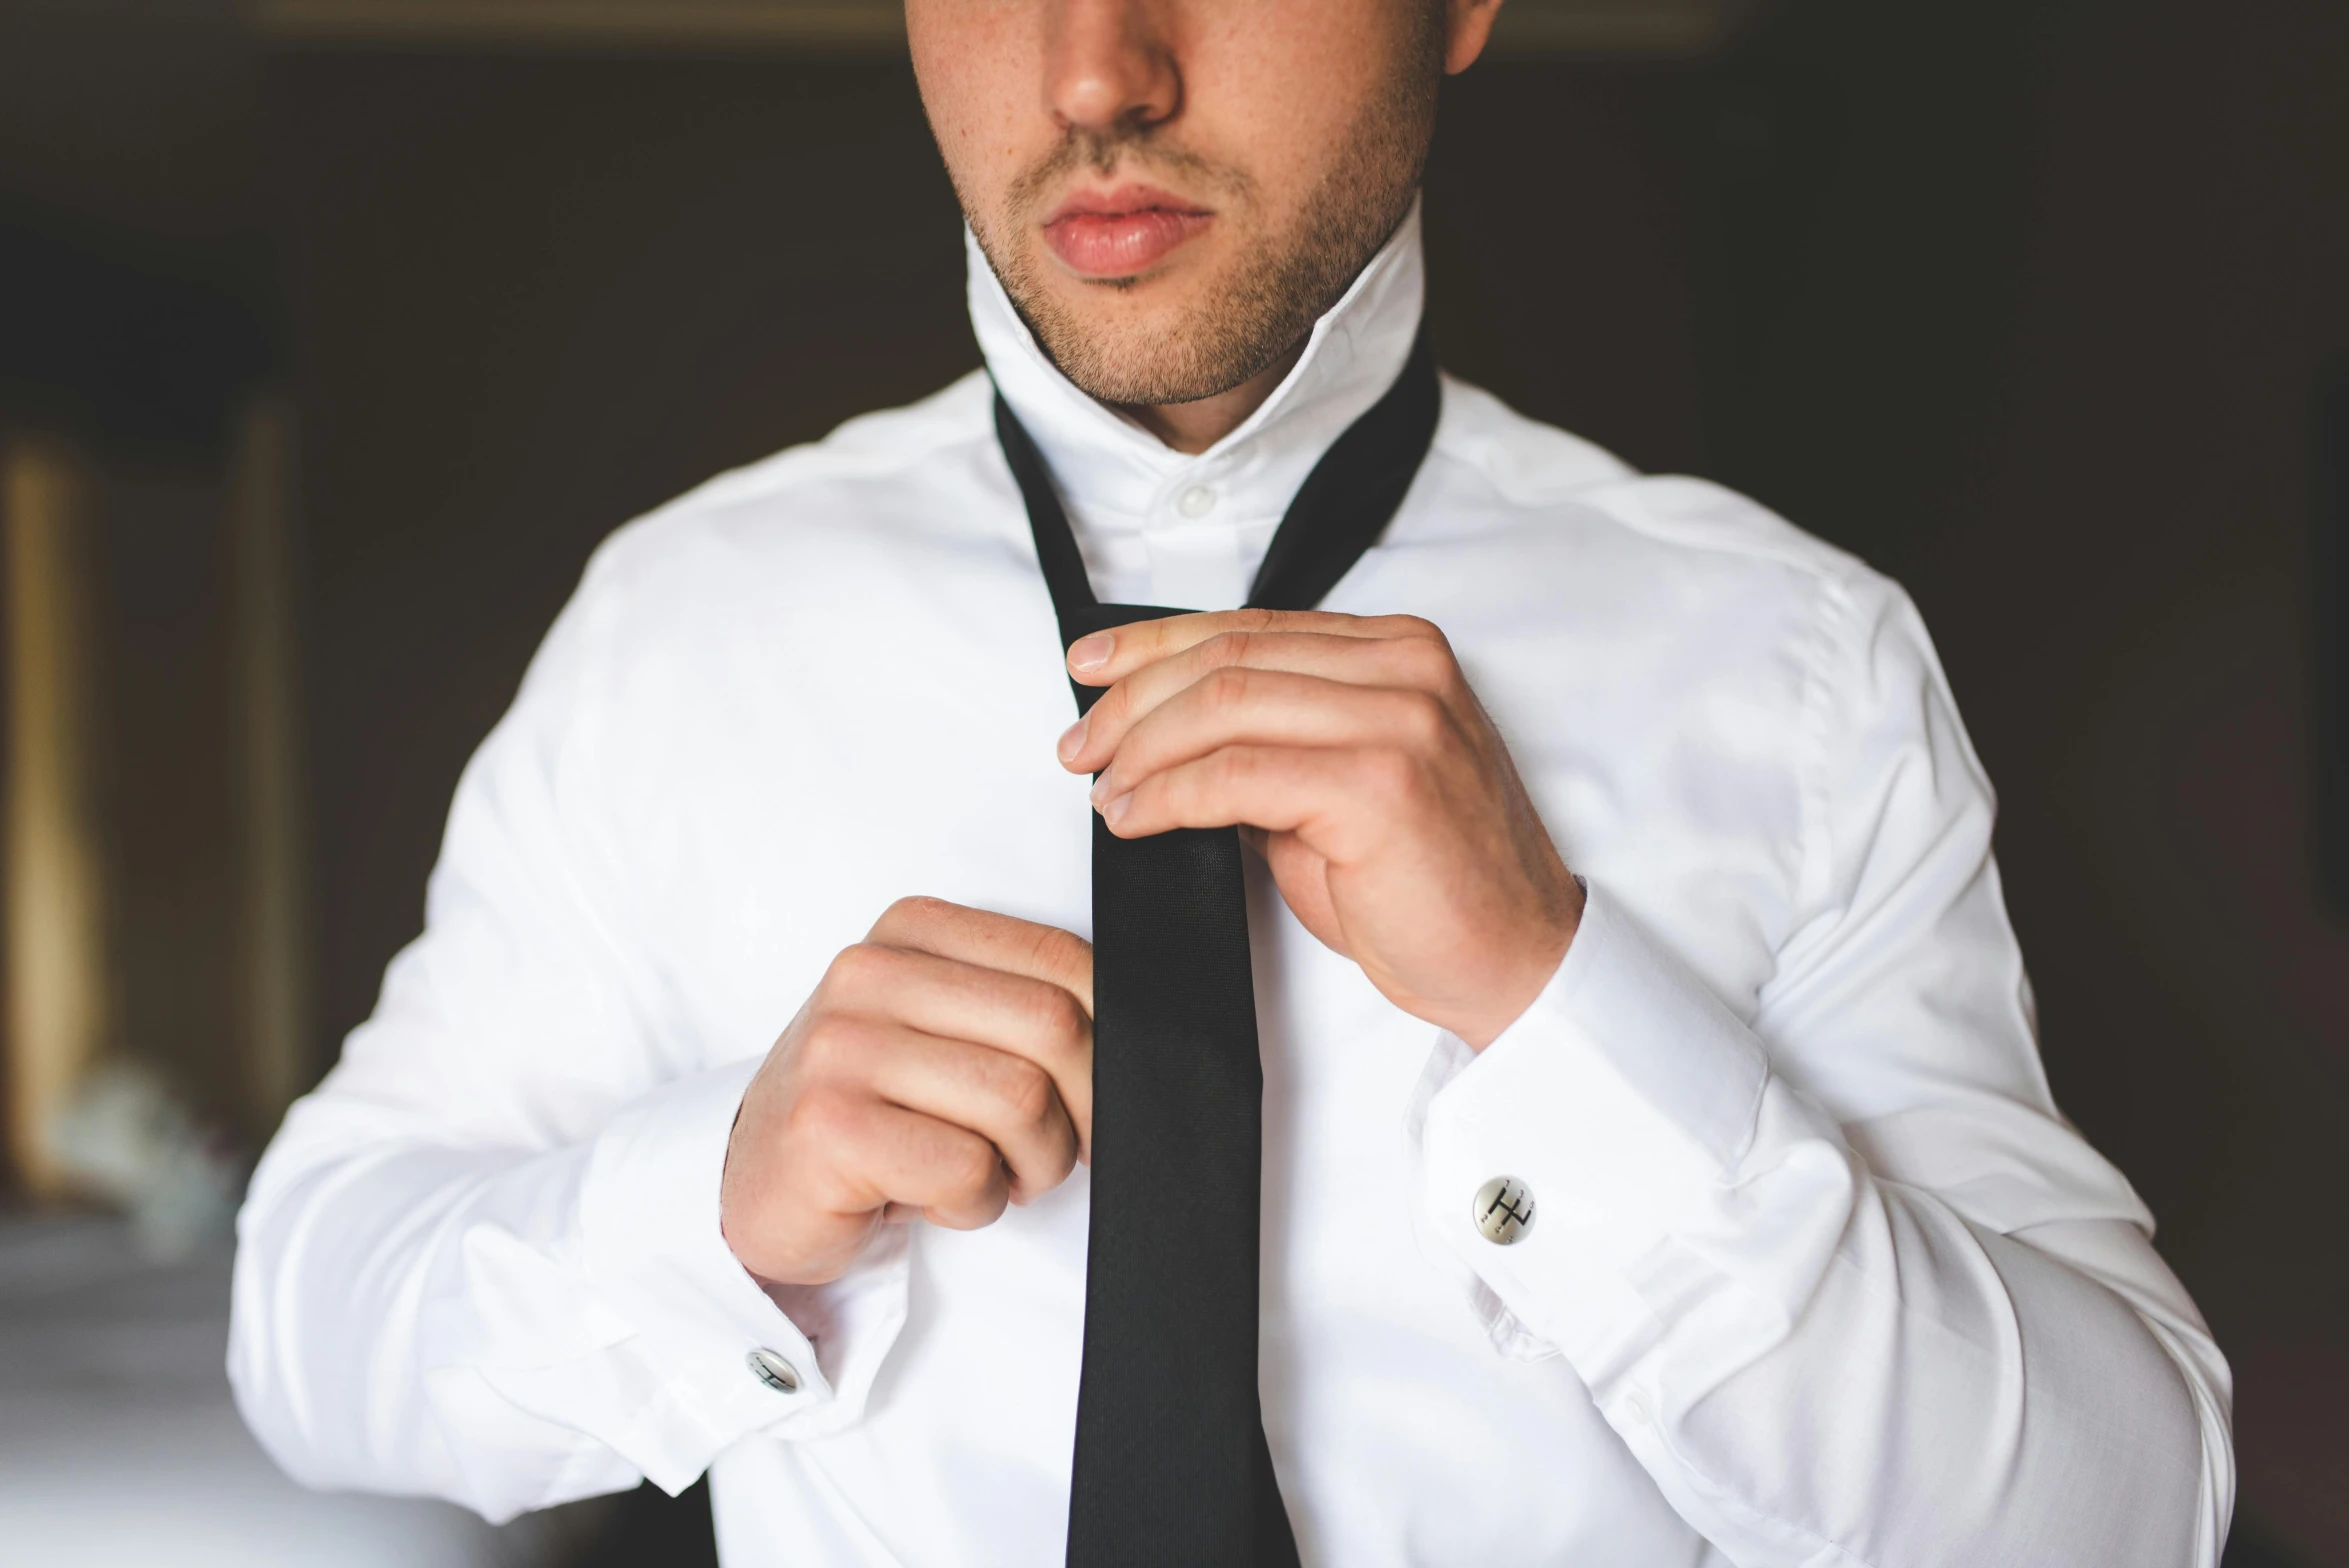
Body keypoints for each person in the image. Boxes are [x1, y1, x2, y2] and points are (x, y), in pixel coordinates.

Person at [228, 0, 2233, 1563]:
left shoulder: (1795, 666)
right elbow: (312, 1340)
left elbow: (2130, 1513)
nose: (1095, 70)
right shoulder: (687, 630)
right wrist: (715, 1204)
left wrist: (1558, 1004)